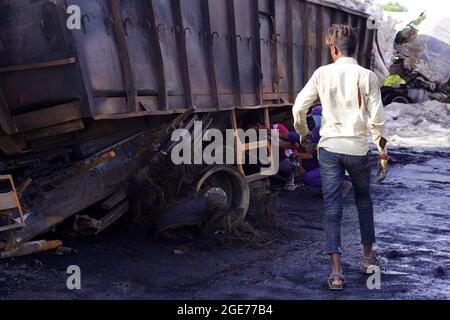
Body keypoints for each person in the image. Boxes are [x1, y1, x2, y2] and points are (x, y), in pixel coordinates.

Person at [292, 24, 389, 290]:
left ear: (333, 49)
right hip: (357, 150)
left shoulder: (322, 74)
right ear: (353, 48)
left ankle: (336, 273)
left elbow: (299, 107)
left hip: (330, 150)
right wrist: (382, 153)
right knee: (363, 202)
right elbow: (377, 120)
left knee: (332, 209)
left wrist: (303, 134)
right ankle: (368, 260)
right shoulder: (367, 75)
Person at [242, 113, 301, 191]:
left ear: (257, 125)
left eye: (249, 128)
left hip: (288, 158)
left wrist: (273, 141)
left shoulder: (277, 128)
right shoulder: (257, 134)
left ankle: (290, 180)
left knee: (285, 165)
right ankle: (271, 182)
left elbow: (296, 145)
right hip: (273, 159)